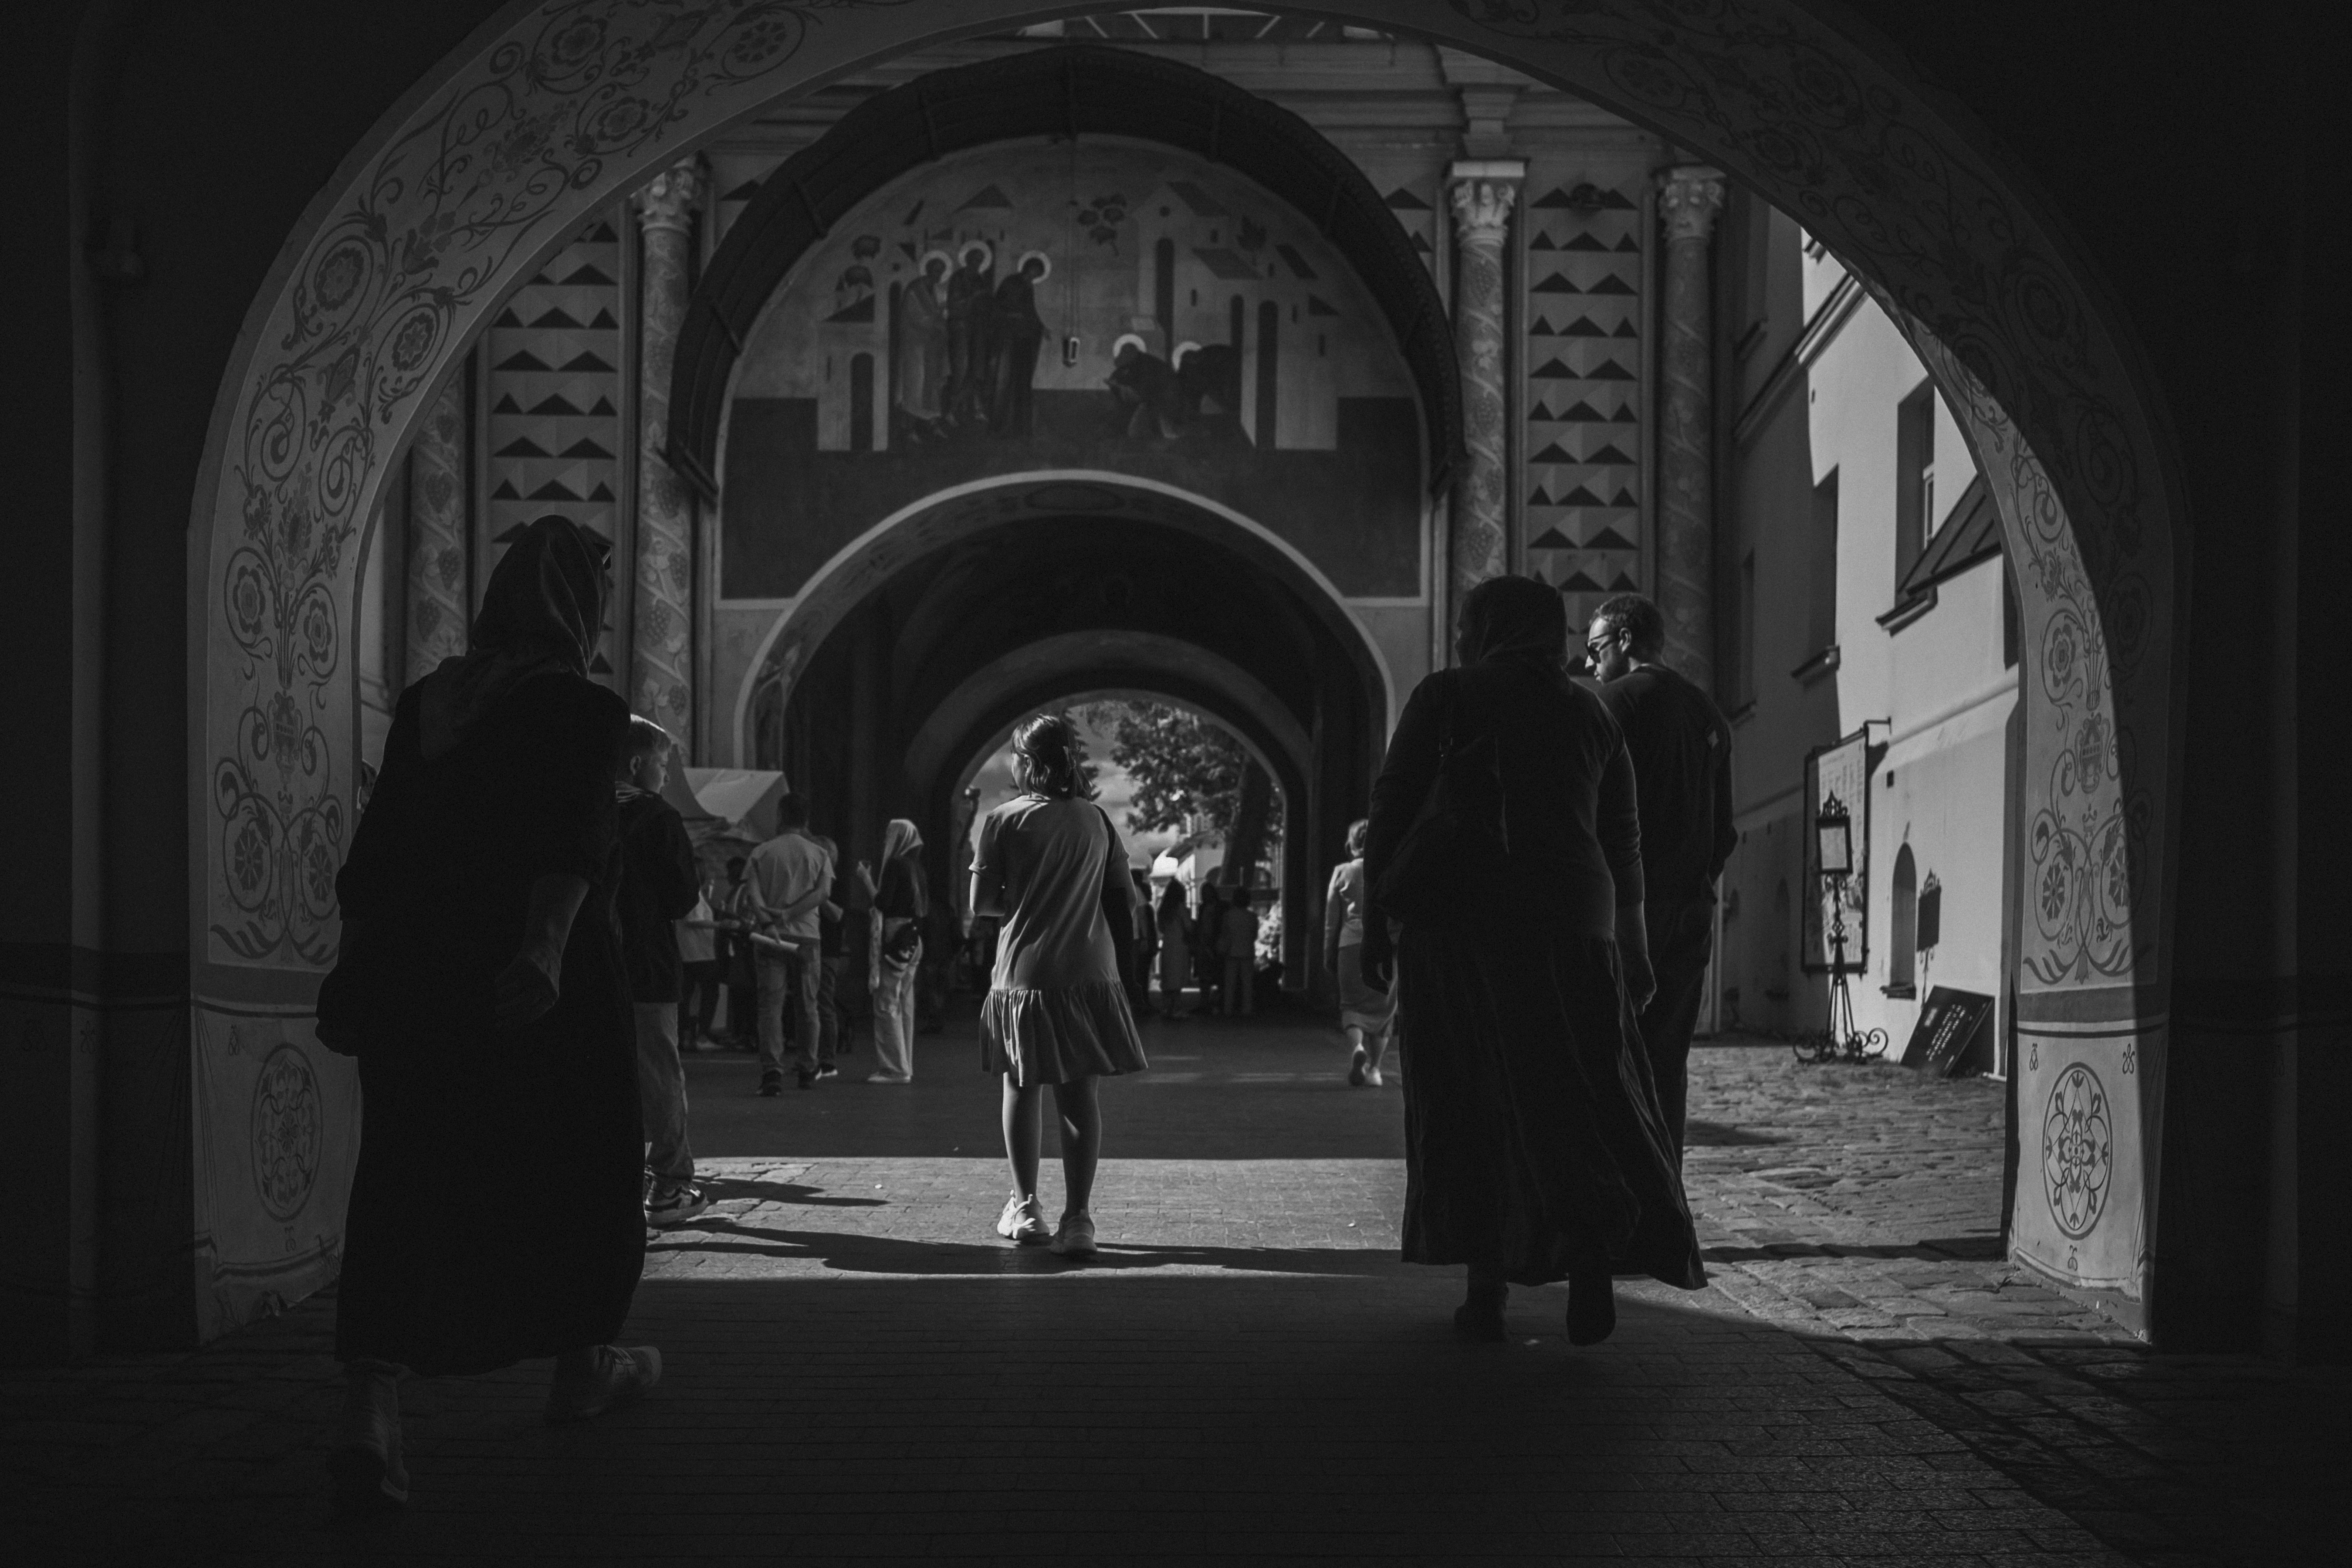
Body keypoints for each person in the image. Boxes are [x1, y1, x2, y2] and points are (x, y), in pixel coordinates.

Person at [318, 515, 657, 1514]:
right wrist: (544, 948)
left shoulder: (430, 703)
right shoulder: (579, 708)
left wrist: (356, 970)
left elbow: (378, 855)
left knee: (408, 1169)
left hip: (420, 973)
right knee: (586, 1159)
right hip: (534, 982)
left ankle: (372, 1413)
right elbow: (574, 838)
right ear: (578, 612)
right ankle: (582, 1365)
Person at [1363, 574, 1704, 1348]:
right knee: (1571, 1099)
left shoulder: (1446, 694)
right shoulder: (1588, 709)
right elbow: (1622, 842)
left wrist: (1382, 924)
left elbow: (1393, 805)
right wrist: (1634, 947)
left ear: (1481, 627)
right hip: (1572, 926)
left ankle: (1484, 1290)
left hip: (1460, 925)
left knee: (1469, 1102)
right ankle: (1588, 1260)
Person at [972, 715, 1148, 1256]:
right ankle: (1079, 1218)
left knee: (1021, 1086)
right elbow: (1124, 901)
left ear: (1024, 763)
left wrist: (1026, 900)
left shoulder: (1002, 821)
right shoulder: (1096, 820)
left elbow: (982, 906)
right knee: (1080, 1095)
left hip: (1024, 971)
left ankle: (1025, 1207)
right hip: (1091, 972)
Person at [1589, 594, 1737, 1158]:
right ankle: (1664, 1193)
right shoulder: (1707, 712)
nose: (1588, 663)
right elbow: (1723, 830)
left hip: (1625, 912)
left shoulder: (1610, 704)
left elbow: (1589, 811)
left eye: (1595, 647)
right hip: (1691, 908)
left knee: (1610, 1058)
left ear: (1625, 640)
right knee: (1667, 1062)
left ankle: (1623, 1201)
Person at [613, 716, 707, 1227]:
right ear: (636, 763)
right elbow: (680, 898)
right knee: (658, 1075)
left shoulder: (578, 808)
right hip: (647, 967)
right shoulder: (656, 817)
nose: (666, 775)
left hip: (588, 967)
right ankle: (669, 1185)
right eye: (663, 763)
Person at [744, 793, 835, 1093]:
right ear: (806, 820)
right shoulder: (819, 854)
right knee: (808, 1006)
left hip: (771, 938)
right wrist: (792, 912)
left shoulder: (761, 852)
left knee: (770, 1006)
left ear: (780, 816)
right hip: (808, 937)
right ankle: (808, 1069)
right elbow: (822, 894)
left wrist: (771, 921)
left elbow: (753, 895)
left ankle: (772, 1073)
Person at [1324, 818, 1397, 1087]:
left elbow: (1332, 920)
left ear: (1351, 844)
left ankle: (1357, 1049)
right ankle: (1376, 1070)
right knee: (1384, 1010)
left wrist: (1328, 953)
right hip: (1385, 944)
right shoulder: (1389, 870)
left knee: (1352, 1006)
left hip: (1350, 945)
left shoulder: (1343, 872)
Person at [867, 818, 927, 1083]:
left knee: (886, 1003)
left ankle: (894, 1068)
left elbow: (882, 902)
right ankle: (905, 1064)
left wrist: (865, 879)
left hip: (895, 936)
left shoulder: (895, 865)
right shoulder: (917, 868)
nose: (884, 842)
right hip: (914, 939)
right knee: (905, 1003)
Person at [676, 876, 728, 1052]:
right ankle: (702, 1035)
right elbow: (694, 920)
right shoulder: (693, 894)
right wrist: (720, 925)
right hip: (700, 954)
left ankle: (683, 1035)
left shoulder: (683, 894)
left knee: (686, 996)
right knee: (709, 993)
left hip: (688, 953)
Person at [717, 856, 758, 1050]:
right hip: (737, 947)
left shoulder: (747, 890)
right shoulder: (737, 891)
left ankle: (747, 1034)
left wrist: (734, 924)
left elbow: (750, 922)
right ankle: (740, 1033)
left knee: (746, 992)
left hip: (746, 947)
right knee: (739, 992)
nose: (728, 876)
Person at [1154, 881, 1192, 1019]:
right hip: (1180, 944)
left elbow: (1161, 928)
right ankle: (1176, 1008)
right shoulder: (1180, 908)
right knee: (1177, 977)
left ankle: (1166, 1007)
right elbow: (1188, 926)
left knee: (1168, 976)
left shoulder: (1163, 909)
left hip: (1168, 944)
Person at [1219, 886, 1260, 1016]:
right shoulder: (1252, 917)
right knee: (1247, 984)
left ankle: (1228, 1009)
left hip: (1231, 952)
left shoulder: (1229, 916)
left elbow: (1225, 934)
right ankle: (1247, 1010)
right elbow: (1254, 935)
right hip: (1247, 952)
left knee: (1230, 983)